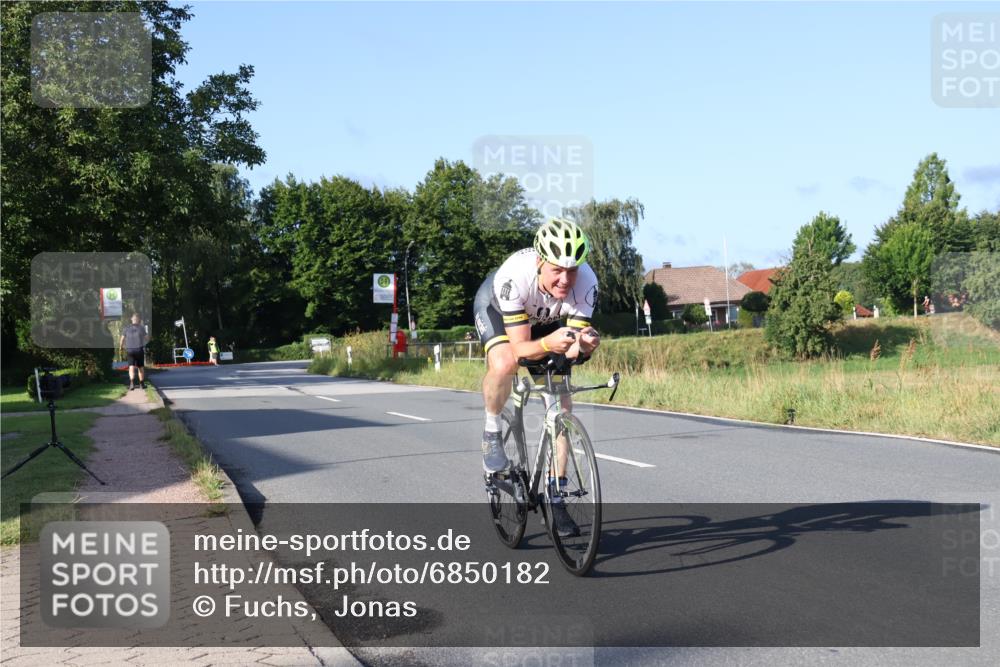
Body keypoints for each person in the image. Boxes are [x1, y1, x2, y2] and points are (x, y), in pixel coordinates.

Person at [473, 218, 602, 537]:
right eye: (557, 269)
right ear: (540, 262)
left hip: (547, 325)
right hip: (499, 310)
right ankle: (492, 433)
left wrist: (584, 347)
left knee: (561, 410)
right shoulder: (514, 277)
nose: (565, 279)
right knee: (504, 364)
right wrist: (547, 344)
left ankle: (555, 496)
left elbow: (572, 350)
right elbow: (519, 350)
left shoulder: (586, 282)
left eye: (571, 271)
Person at [118, 313, 147, 390]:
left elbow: (122, 339)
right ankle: (142, 384)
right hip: (139, 350)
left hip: (130, 350)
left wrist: (121, 347)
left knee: (131, 367)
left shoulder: (126, 328)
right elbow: (146, 338)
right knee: (140, 367)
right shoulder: (141, 328)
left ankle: (132, 384)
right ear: (139, 320)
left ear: (132, 319)